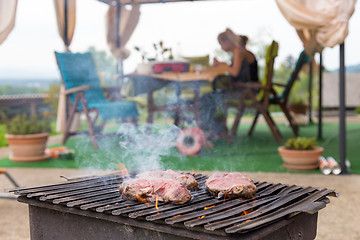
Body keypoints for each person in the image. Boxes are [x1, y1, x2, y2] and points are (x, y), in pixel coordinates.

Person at [200, 28, 259, 140]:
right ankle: (218, 130)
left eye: (221, 44)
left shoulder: (238, 51)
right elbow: (236, 69)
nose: (221, 47)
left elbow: (235, 72)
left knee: (211, 97)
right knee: (214, 95)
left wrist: (223, 66)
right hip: (245, 89)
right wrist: (223, 64)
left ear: (228, 41)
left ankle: (215, 130)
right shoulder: (239, 51)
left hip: (247, 91)